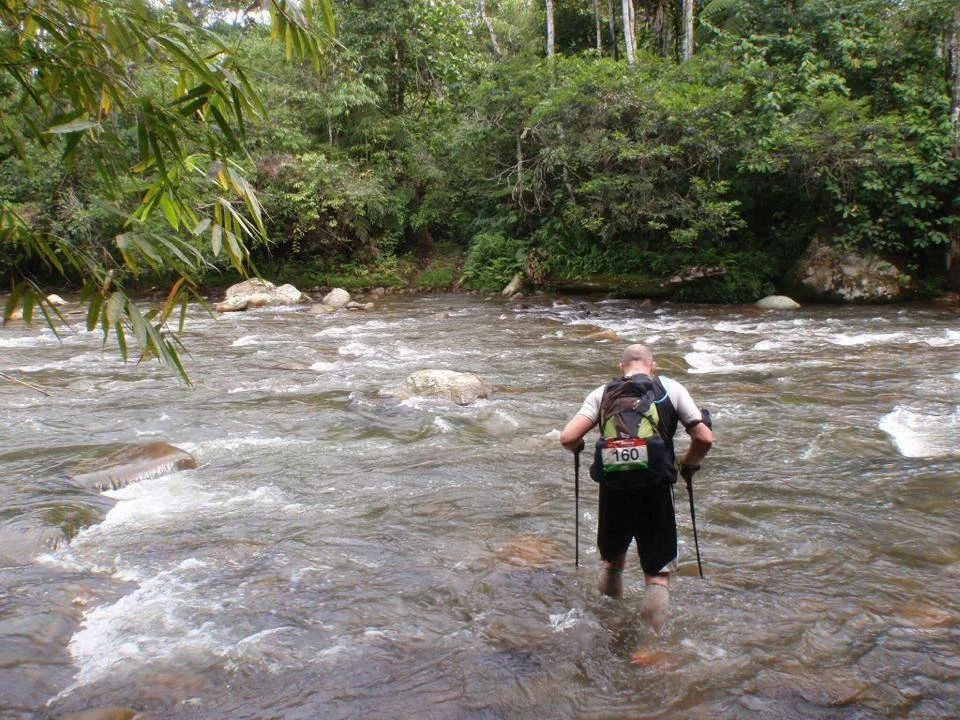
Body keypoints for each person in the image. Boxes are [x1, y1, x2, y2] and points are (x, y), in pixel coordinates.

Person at [559, 343, 713, 632]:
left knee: (612, 563)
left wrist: (579, 446)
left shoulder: (602, 392)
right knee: (657, 575)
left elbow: (568, 438)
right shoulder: (670, 388)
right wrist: (688, 464)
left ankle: (606, 628)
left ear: (621, 367)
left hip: (613, 488)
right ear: (653, 367)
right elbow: (703, 438)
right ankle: (649, 648)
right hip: (655, 488)